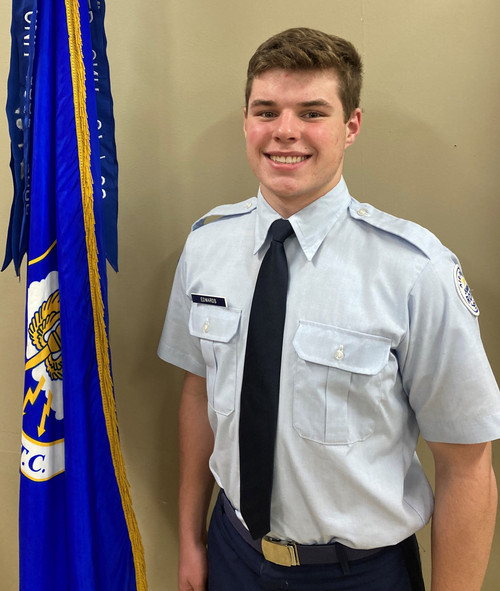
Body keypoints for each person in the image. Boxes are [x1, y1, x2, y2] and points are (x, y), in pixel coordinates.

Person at [158, 27, 500, 591]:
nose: (284, 131)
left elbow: (466, 465)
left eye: (312, 112)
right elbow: (199, 395)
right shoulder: (206, 245)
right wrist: (192, 541)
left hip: (359, 574)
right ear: (246, 121)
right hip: (233, 553)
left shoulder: (414, 271)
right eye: (266, 110)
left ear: (351, 126)